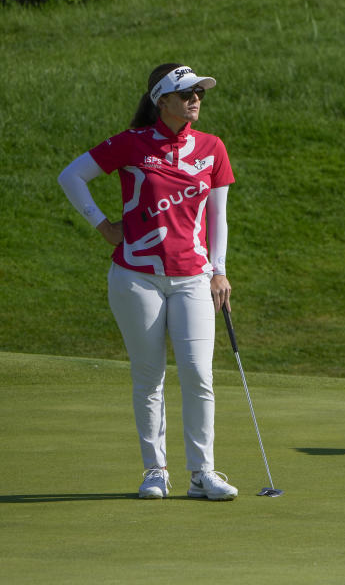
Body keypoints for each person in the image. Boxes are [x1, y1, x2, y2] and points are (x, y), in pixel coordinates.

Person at [58, 64, 239, 499]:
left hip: (193, 277)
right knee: (149, 375)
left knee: (198, 375)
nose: (196, 99)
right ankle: (155, 470)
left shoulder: (212, 148)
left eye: (199, 92)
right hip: (136, 278)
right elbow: (71, 177)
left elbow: (219, 217)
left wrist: (219, 270)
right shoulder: (132, 144)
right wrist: (103, 226)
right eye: (186, 93)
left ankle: (202, 474)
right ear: (163, 101)